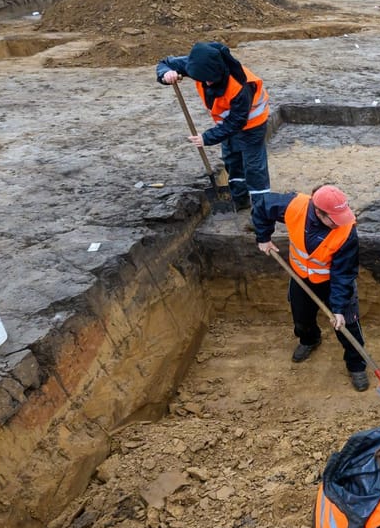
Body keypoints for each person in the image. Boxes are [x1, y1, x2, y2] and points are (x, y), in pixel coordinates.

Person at [253, 184, 368, 391]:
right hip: (300, 277)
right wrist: (263, 237)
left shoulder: (346, 231)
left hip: (333, 283)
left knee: (347, 324)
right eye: (334, 219)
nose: (340, 223)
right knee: (301, 316)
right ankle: (309, 340)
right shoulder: (294, 206)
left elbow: (344, 273)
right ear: (319, 212)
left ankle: (356, 365)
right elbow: (262, 206)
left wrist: (339, 308)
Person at [155, 42, 271, 212]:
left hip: (253, 124)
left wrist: (206, 138)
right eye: (203, 80)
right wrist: (166, 74)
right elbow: (164, 63)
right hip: (226, 124)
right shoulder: (197, 64)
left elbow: (237, 121)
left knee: (253, 166)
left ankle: (262, 210)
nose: (207, 83)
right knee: (232, 160)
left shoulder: (240, 85)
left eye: (210, 80)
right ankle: (240, 199)